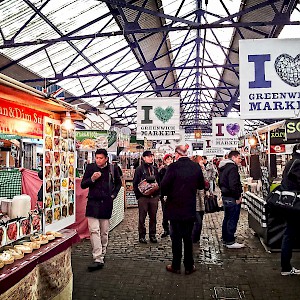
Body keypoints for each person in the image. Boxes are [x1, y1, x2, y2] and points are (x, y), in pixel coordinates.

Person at [161, 145, 204, 275]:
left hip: (174, 208)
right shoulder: (195, 167)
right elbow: (201, 185)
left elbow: (164, 186)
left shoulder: (172, 167)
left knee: (176, 238)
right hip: (190, 207)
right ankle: (189, 266)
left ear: (177, 154)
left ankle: (176, 266)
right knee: (188, 237)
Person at [81, 148, 122, 272]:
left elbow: (118, 183)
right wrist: (92, 179)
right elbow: (83, 184)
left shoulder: (112, 169)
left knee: (104, 232)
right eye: (96, 158)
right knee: (94, 230)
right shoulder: (90, 168)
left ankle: (102, 253)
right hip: (93, 203)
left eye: (100, 158)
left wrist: (113, 195)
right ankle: (97, 258)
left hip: (106, 204)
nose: (98, 160)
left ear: (106, 159)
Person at [279, 144, 300, 276]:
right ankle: (286, 267)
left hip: (290, 204)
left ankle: (286, 267)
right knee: (289, 234)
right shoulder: (298, 163)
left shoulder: (290, 163)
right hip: (296, 205)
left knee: (289, 234)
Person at [218, 150, 244, 249]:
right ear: (233, 157)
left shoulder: (223, 167)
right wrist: (237, 196)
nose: (240, 160)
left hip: (226, 196)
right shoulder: (232, 168)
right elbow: (233, 184)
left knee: (227, 218)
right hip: (231, 197)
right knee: (232, 218)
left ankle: (226, 237)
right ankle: (230, 241)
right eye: (239, 158)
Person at [133, 150, 160, 244]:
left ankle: (152, 235)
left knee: (153, 217)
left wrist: (158, 195)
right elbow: (135, 183)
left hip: (154, 197)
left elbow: (159, 181)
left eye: (151, 156)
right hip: (143, 197)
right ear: (144, 158)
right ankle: (142, 236)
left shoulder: (155, 169)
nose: (151, 158)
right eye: (148, 156)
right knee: (142, 218)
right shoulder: (139, 169)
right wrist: (139, 196)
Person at [190, 155, 206, 243]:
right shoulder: (193, 172)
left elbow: (205, 182)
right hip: (194, 198)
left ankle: (196, 237)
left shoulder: (202, 170)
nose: (202, 162)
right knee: (197, 220)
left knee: (200, 217)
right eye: (201, 160)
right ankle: (193, 238)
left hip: (201, 198)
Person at [158, 153, 173, 238]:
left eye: (171, 159)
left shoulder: (175, 169)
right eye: (168, 159)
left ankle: (172, 229)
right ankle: (166, 229)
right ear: (165, 161)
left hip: (173, 194)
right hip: (165, 195)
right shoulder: (163, 170)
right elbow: (160, 183)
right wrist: (162, 194)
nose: (170, 160)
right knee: (165, 212)